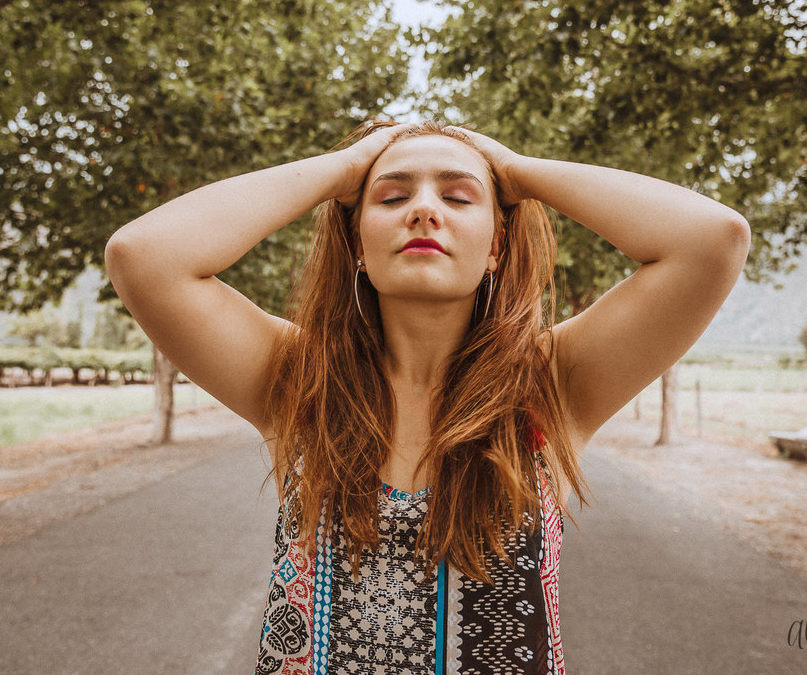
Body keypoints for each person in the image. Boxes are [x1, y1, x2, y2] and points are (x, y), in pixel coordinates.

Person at [104, 120, 750, 674]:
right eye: (392, 195)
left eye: (458, 195)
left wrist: (516, 170)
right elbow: (144, 256)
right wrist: (345, 167)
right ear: (358, 244)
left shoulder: (552, 385)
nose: (423, 208)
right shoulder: (300, 382)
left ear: (497, 245)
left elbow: (711, 240)